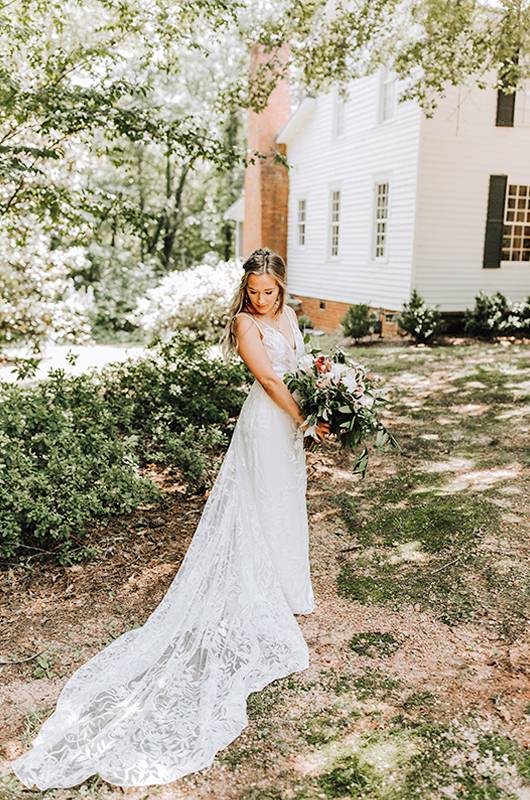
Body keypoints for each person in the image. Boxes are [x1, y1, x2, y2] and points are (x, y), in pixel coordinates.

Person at [10, 247, 330, 790]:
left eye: (268, 291)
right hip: (268, 423)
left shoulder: (290, 315)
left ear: (281, 286)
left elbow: (299, 367)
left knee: (285, 499)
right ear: (246, 291)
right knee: (259, 502)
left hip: (291, 424)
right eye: (253, 291)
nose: (261, 299)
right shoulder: (245, 324)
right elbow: (273, 382)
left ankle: (285, 586)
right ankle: (260, 592)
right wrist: (306, 421)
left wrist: (324, 398)